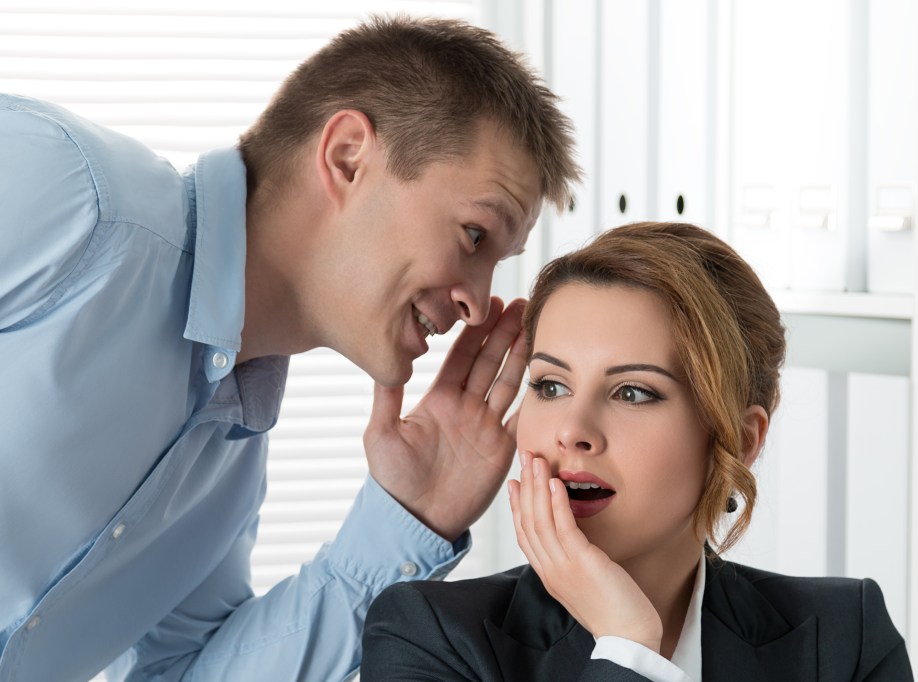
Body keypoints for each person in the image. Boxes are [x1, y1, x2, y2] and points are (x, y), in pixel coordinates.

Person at [0, 15, 578, 682]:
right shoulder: (67, 193)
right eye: (476, 235)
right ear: (348, 157)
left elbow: (184, 674)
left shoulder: (222, 468)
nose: (480, 301)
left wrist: (408, 518)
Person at [362, 222, 914, 681]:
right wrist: (627, 647)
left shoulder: (846, 639)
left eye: (632, 392)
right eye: (550, 386)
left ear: (740, 440)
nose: (573, 431)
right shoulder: (429, 637)